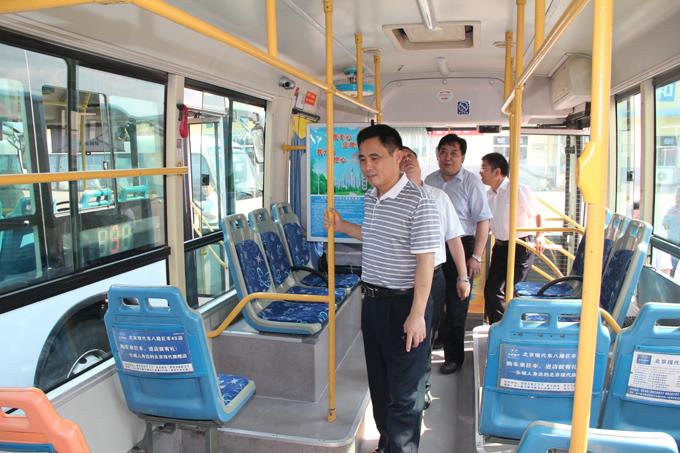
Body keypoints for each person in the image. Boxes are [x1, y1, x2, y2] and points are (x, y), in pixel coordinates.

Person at [324, 124, 440, 453]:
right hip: (373, 303)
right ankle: (386, 444)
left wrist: (417, 315)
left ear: (398, 156)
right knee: (380, 386)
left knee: (405, 395)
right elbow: (373, 235)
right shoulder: (371, 198)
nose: (367, 166)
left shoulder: (420, 202)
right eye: (362, 159)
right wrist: (343, 226)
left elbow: (426, 262)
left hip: (406, 304)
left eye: (375, 157)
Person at [400, 146, 470, 408]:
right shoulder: (385, 198)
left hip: (433, 276)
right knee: (400, 331)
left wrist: (463, 276)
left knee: (426, 333)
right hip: (400, 278)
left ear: (419, 164)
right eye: (400, 158)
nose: (406, 161)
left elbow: (454, 239)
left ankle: (423, 386)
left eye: (410, 157)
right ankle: (404, 383)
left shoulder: (438, 197)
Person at [424, 134, 492, 375]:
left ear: (462, 157)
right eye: (443, 152)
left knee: (456, 305)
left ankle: (453, 357)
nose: (447, 157)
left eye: (453, 153)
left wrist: (476, 256)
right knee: (432, 300)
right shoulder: (429, 180)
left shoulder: (471, 183)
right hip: (434, 245)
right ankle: (436, 341)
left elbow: (483, 221)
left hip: (462, 246)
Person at [480, 152, 545, 324]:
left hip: (520, 246)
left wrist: (540, 236)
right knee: (491, 291)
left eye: (484, 168)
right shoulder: (488, 195)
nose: (481, 172)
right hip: (500, 247)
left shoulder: (518, 189)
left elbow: (538, 213)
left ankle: (510, 327)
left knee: (512, 291)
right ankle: (498, 327)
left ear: (497, 172)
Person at [662, 187, 680, 271]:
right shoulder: (671, 211)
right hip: (672, 248)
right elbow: (665, 225)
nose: (678, 199)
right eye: (677, 196)